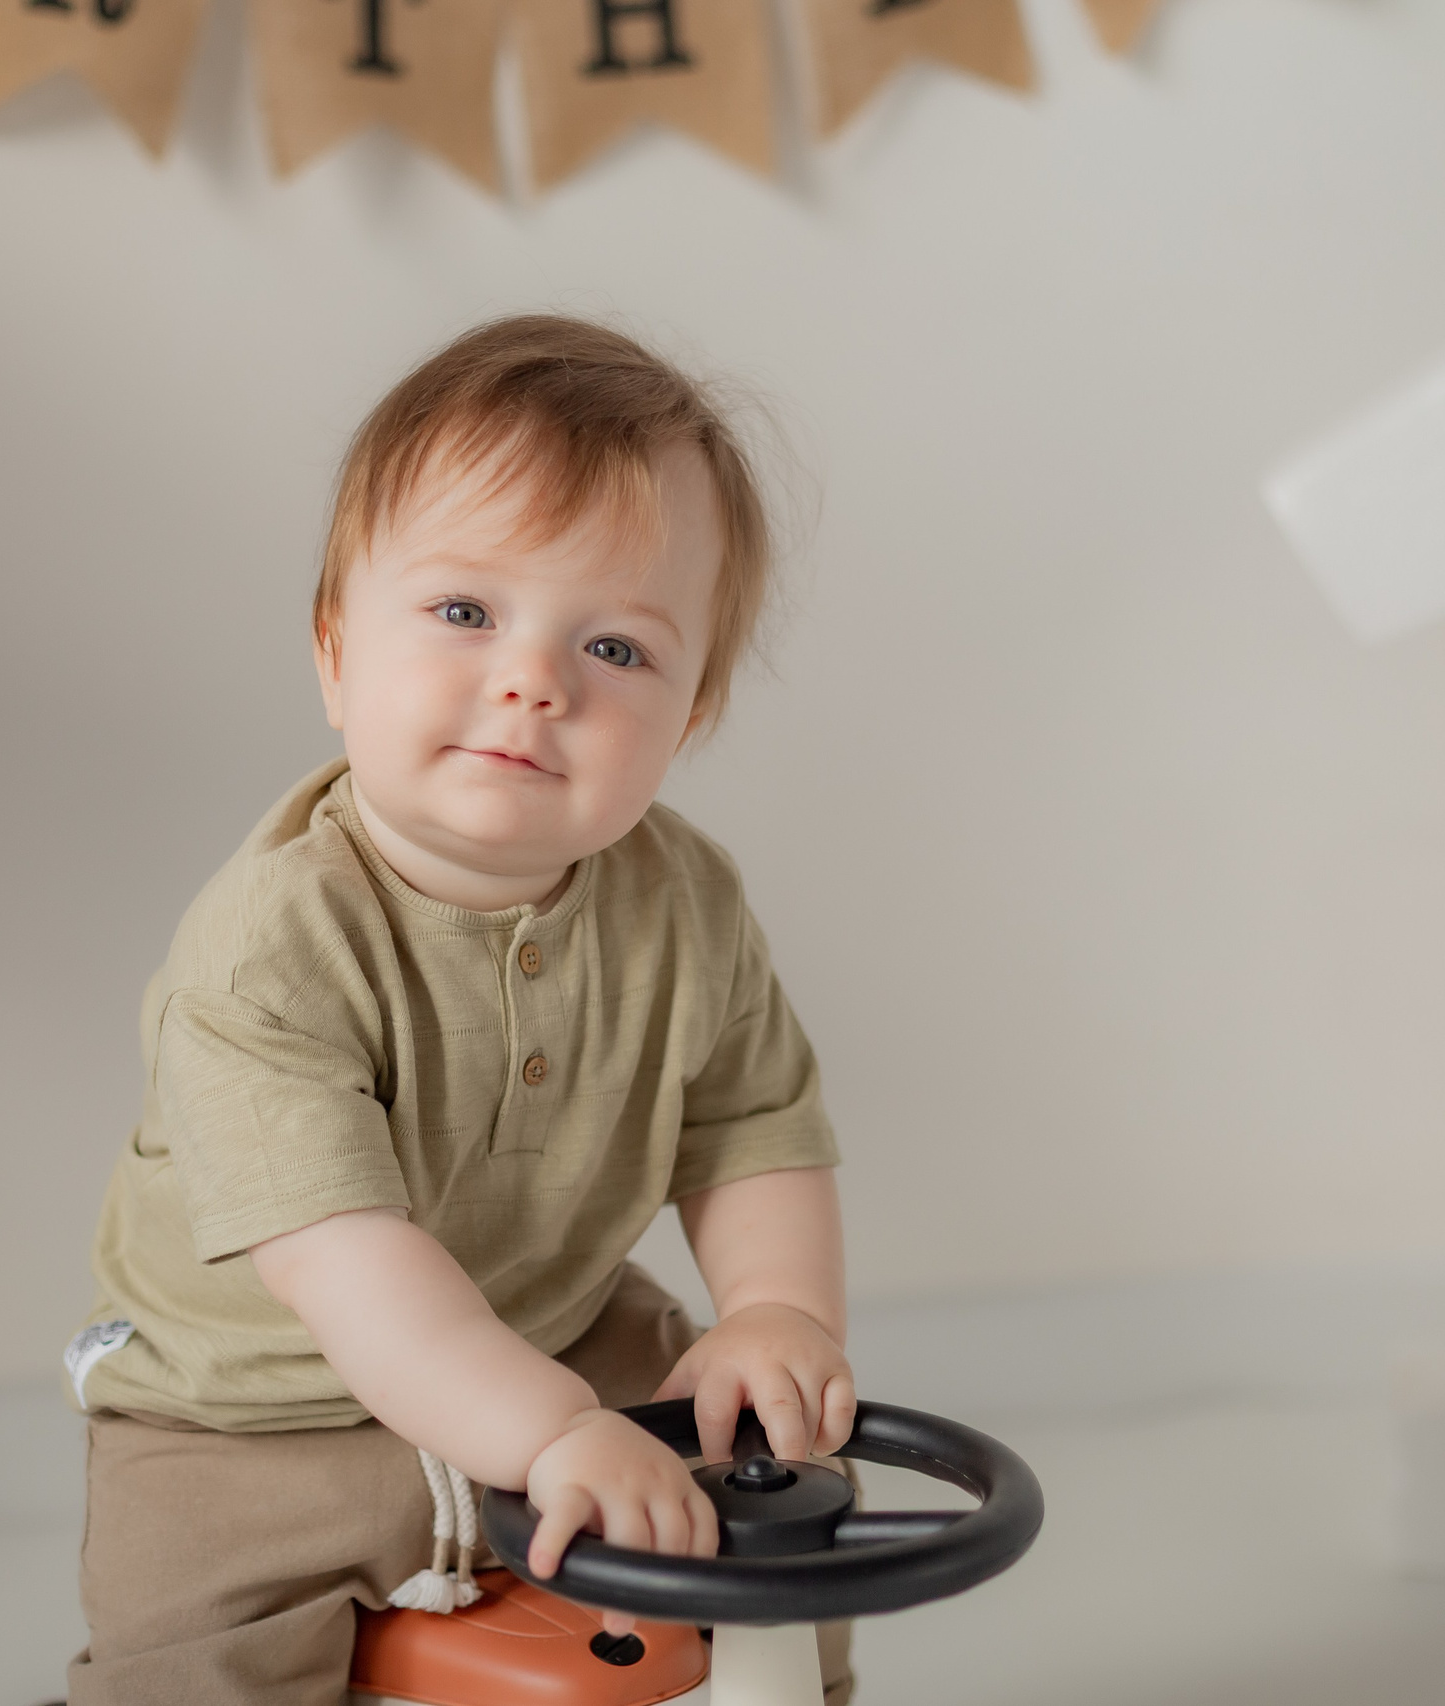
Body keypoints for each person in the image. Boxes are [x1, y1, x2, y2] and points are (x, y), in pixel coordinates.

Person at [64, 314, 854, 1706]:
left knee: (781, 1486)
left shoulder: (687, 902)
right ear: (333, 652)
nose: (533, 677)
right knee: (192, 1654)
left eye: (615, 648)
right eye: (465, 611)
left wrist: (779, 1312)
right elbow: (351, 1271)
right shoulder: (270, 948)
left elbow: (752, 1124)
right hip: (259, 1408)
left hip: (555, 1323)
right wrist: (549, 1433)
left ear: (692, 713)